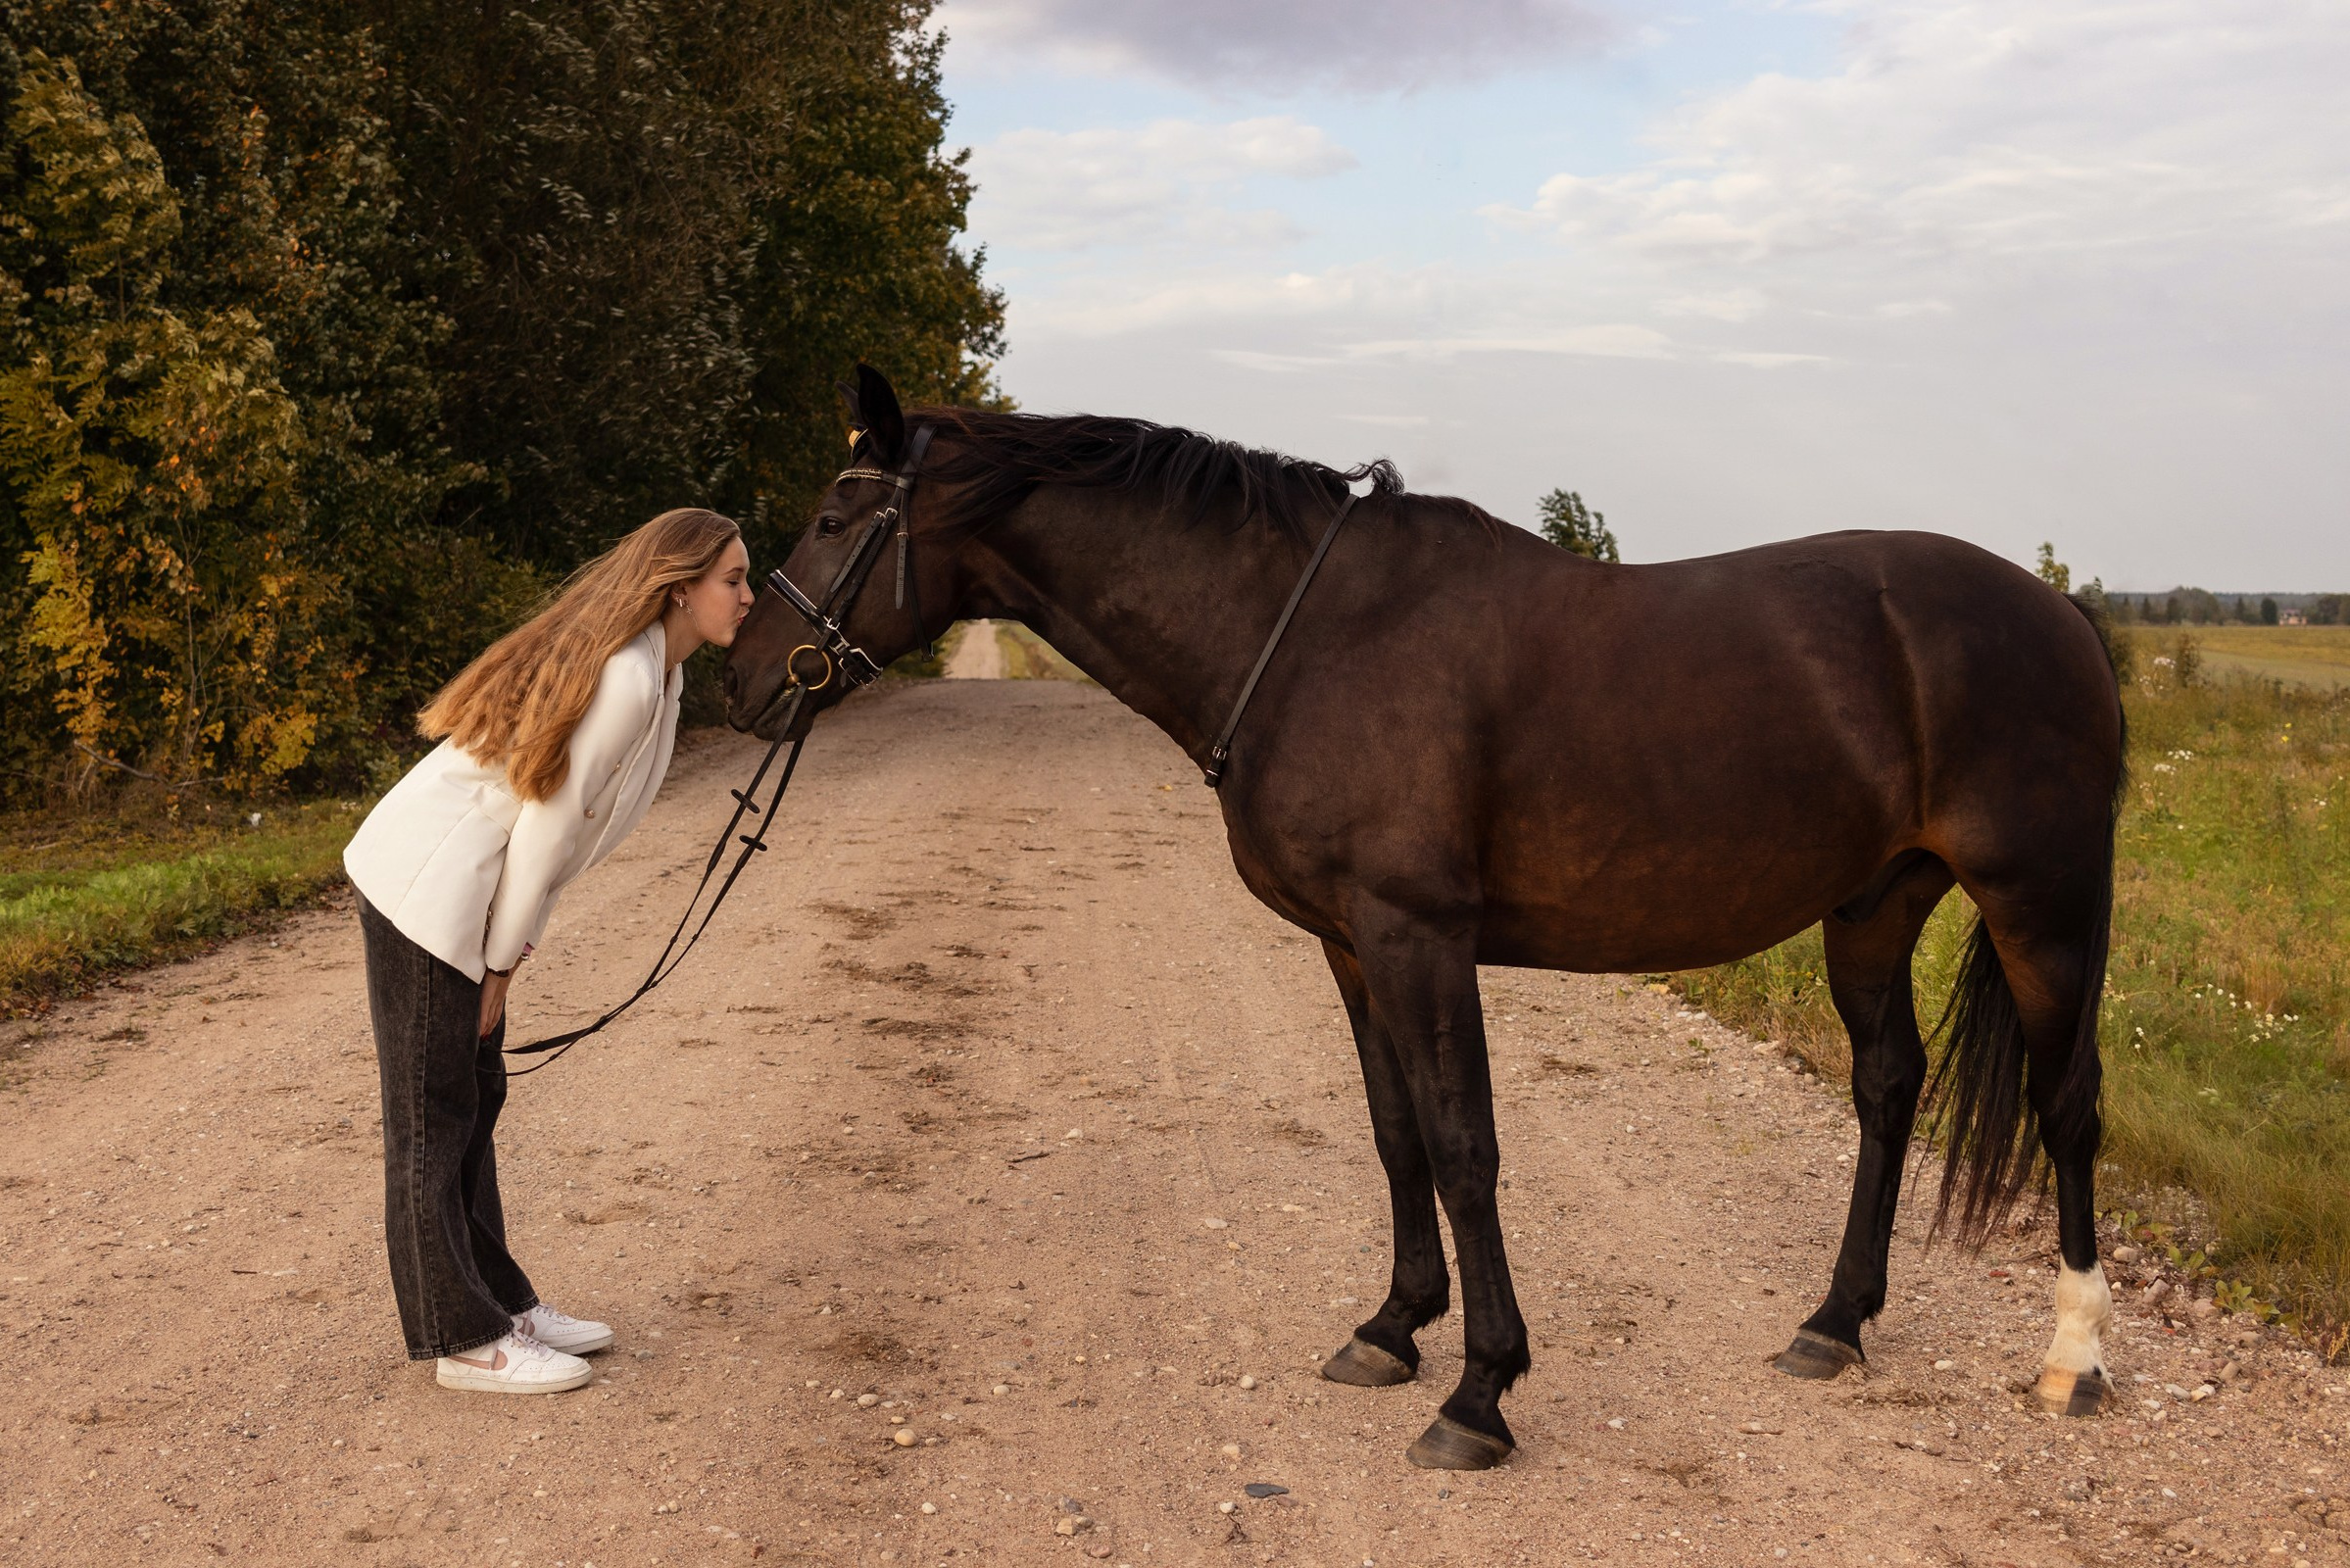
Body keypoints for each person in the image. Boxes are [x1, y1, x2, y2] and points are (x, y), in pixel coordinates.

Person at [343, 509, 753, 1394]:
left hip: (473, 896)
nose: (749, 598)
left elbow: (561, 842)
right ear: (681, 585)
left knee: (475, 1096)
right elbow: (546, 829)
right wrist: (495, 965)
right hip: (427, 887)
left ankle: (499, 1303)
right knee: (432, 1114)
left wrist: (510, 951)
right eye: (734, 580)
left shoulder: (658, 673)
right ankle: (461, 1341)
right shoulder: (630, 678)